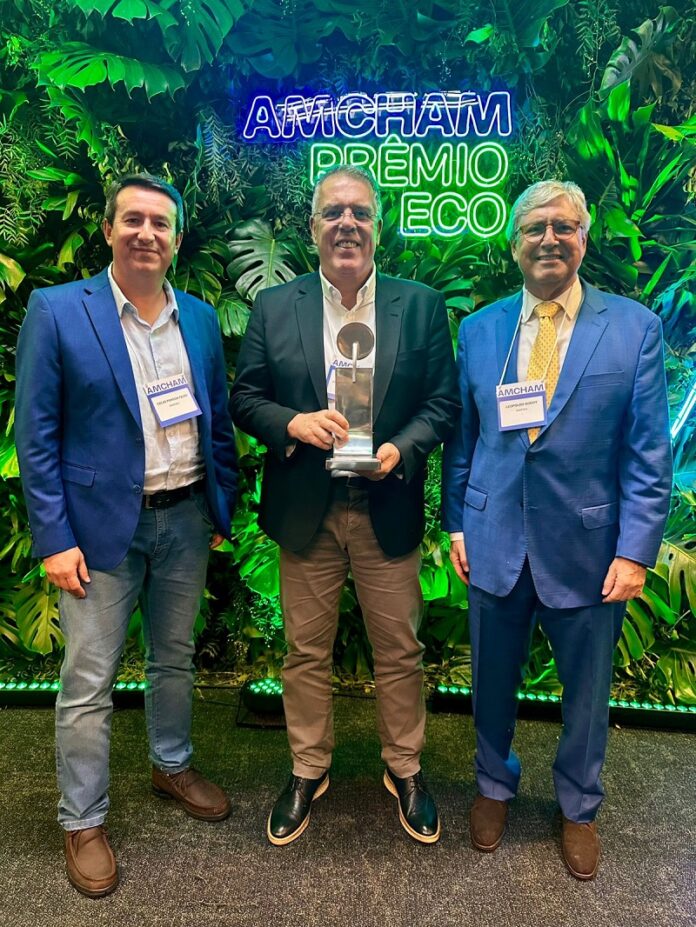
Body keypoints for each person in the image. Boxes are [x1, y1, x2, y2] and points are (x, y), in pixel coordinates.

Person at [15, 173, 238, 897]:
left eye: (160, 223)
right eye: (133, 220)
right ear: (110, 229)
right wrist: (53, 539)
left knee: (174, 658)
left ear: (177, 239)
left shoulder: (198, 318)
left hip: (185, 519)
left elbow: (216, 420)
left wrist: (220, 509)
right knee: (89, 680)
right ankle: (82, 818)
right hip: (96, 530)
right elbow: (36, 436)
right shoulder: (57, 310)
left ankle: (171, 765)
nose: (147, 233)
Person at [441, 179, 672, 879]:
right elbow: (464, 440)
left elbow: (647, 453)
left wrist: (636, 552)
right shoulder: (481, 330)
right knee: (490, 681)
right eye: (534, 227)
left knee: (587, 693)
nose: (549, 238)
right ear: (514, 243)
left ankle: (578, 805)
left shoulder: (633, 328)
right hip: (493, 540)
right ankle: (493, 785)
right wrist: (457, 524)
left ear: (583, 238)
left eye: (563, 226)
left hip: (589, 549)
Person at [230, 165, 458, 846]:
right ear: (313, 229)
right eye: (333, 213)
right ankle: (308, 769)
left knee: (400, 649)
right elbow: (245, 397)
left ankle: (405, 768)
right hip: (309, 506)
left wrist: (401, 449)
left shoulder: (420, 306)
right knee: (305, 650)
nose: (347, 224)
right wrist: (292, 423)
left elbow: (442, 404)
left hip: (387, 499)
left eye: (360, 212)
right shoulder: (277, 306)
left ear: (378, 227)